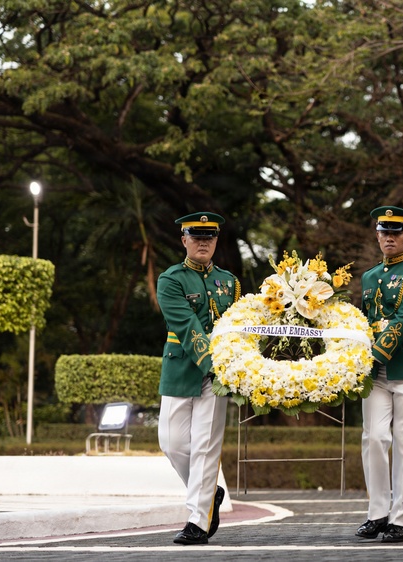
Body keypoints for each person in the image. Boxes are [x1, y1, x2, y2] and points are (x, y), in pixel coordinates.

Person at [157, 211, 240, 545]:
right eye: (196, 237)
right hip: (182, 367)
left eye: (209, 237)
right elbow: (186, 325)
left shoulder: (229, 282)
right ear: (184, 240)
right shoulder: (171, 279)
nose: (203, 242)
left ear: (216, 241)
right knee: (172, 443)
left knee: (205, 446)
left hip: (217, 376)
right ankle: (210, 492)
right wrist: (213, 363)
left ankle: (197, 521)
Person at [356, 206, 403, 543]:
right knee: (373, 438)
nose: (390, 237)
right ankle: (377, 512)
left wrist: (373, 356)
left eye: (396, 232)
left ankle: (400, 519)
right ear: (377, 236)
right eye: (384, 231)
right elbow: (363, 321)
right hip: (375, 372)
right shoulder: (369, 276)